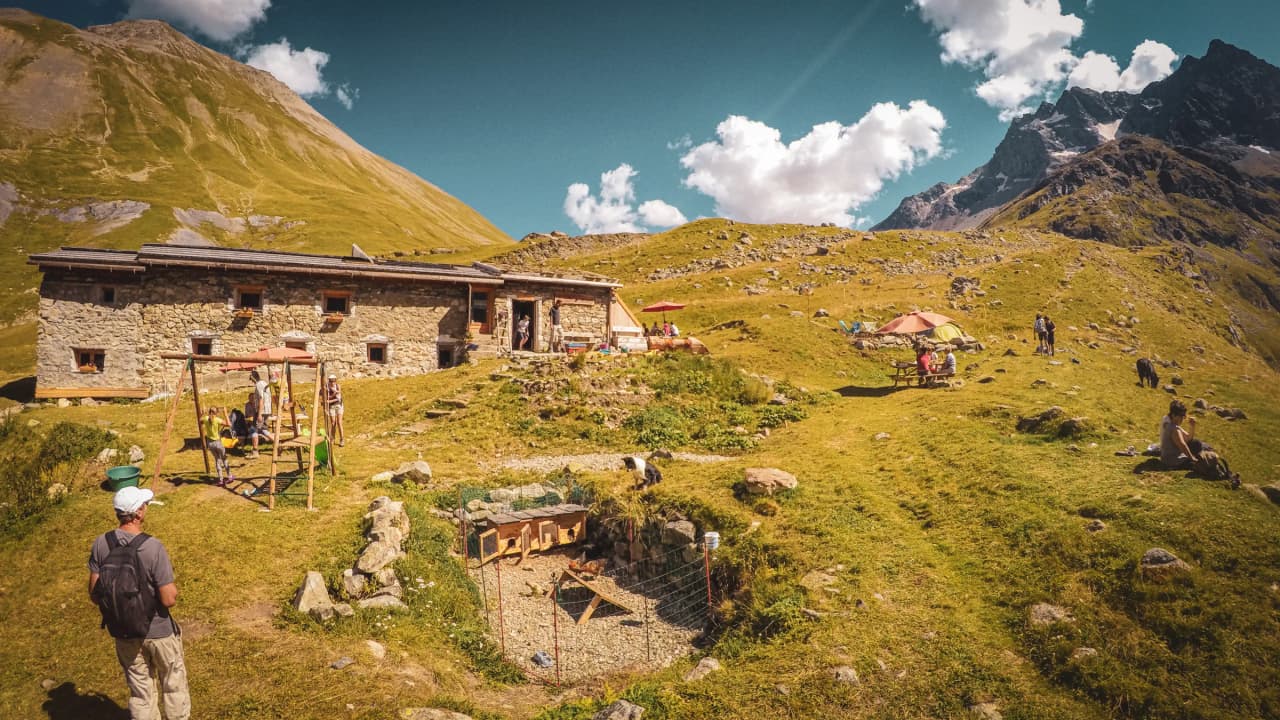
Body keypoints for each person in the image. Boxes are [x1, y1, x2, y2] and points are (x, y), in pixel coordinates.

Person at [89, 486, 190, 720]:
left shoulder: (101, 544)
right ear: (139, 513)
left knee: (140, 691)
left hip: (123, 632)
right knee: (173, 685)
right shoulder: (153, 547)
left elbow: (95, 594)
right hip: (159, 632)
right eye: (144, 505)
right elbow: (168, 598)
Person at [1160, 400, 1205, 469]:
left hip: (1167, 458)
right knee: (1196, 463)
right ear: (1173, 415)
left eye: (1183, 416)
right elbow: (1182, 445)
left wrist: (1192, 426)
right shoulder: (1173, 428)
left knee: (1196, 443)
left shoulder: (1173, 425)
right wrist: (1192, 458)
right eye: (1180, 416)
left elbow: (1188, 438)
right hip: (1172, 460)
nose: (1182, 419)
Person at [202, 406, 232, 486]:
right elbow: (229, 424)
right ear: (217, 413)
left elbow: (200, 421)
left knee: (217, 460)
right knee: (224, 458)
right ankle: (229, 476)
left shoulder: (205, 418)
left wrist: (203, 413)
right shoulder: (217, 420)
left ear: (209, 411)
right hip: (218, 442)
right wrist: (225, 413)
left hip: (210, 443)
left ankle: (220, 479)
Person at [244, 391, 272, 459]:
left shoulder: (258, 404)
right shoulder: (247, 405)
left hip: (258, 420)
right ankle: (279, 444)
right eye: (250, 398)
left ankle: (255, 451)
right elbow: (246, 414)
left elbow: (260, 413)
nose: (251, 399)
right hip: (253, 421)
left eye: (252, 398)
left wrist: (257, 417)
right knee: (263, 432)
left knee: (255, 431)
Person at [326, 373, 345, 447]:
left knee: (339, 422)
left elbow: (338, 398)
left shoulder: (338, 386)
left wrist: (330, 399)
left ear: (335, 381)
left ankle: (342, 439)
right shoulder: (327, 387)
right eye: (331, 381)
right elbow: (326, 398)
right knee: (333, 423)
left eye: (333, 381)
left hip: (339, 405)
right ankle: (332, 438)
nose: (332, 383)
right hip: (332, 407)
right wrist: (333, 396)